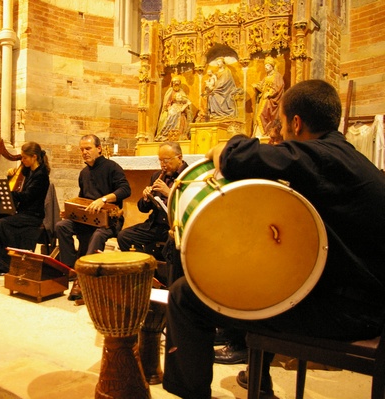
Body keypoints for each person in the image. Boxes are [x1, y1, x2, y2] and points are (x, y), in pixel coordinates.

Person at [163, 79, 385, 398]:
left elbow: (242, 156)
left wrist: (220, 150)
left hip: (347, 313)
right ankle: (259, 380)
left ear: (296, 122)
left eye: (279, 122)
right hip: (357, 302)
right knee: (265, 277)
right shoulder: (346, 158)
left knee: (185, 296)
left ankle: (193, 392)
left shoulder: (324, 158)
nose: (278, 131)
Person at [55, 134, 131, 271]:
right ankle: (69, 267)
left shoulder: (112, 167)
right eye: (82, 149)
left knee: (98, 234)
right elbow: (82, 199)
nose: (84, 152)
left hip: (110, 220)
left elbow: (125, 190)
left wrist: (103, 200)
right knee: (62, 226)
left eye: (88, 148)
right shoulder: (84, 173)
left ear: (99, 149)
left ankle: (86, 272)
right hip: (87, 218)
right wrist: (71, 213)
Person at [0, 142, 50, 275]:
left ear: (34, 157)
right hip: (23, 212)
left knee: (1, 224)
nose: (22, 160)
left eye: (24, 158)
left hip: (33, 216)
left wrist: (7, 192)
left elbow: (27, 196)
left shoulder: (41, 176)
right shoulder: (30, 171)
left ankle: (5, 265)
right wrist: (9, 176)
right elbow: (20, 178)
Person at [117, 142, 187, 260]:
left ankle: (163, 275)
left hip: (176, 226)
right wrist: (146, 198)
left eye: (166, 160)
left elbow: (190, 205)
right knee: (124, 236)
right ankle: (148, 270)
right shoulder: (157, 176)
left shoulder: (189, 176)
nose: (162, 165)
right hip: (155, 225)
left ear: (179, 158)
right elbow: (143, 209)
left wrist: (169, 193)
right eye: (160, 160)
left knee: (171, 247)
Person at [252, 56, 285, 138]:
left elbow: (279, 86)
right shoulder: (266, 77)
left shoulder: (277, 76)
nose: (266, 68)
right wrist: (257, 86)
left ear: (272, 66)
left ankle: (266, 132)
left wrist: (270, 93)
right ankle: (259, 134)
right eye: (265, 66)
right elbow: (262, 86)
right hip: (263, 99)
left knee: (264, 115)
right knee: (259, 115)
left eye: (268, 66)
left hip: (271, 100)